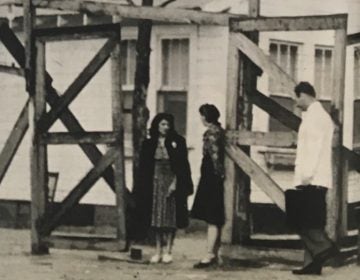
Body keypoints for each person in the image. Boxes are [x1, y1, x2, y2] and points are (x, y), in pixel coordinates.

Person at [290, 81, 339, 275]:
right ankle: (313, 264)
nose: (295, 102)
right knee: (313, 221)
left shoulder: (317, 117)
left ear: (303, 94)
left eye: (296, 97)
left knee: (302, 220)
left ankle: (325, 248)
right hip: (314, 177)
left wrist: (306, 176)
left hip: (312, 178)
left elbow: (314, 149)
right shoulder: (314, 115)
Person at [132, 113, 193, 264]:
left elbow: (182, 166)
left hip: (171, 180)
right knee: (156, 218)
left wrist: (175, 183)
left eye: (168, 124)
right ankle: (158, 250)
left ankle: (168, 250)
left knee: (170, 218)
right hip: (154, 182)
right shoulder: (149, 143)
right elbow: (145, 167)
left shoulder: (178, 141)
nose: (166, 128)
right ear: (157, 126)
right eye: (162, 124)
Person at [191, 104, 225, 269]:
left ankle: (209, 254)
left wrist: (219, 174)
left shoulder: (211, 133)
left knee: (212, 216)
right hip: (213, 175)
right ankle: (214, 252)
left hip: (211, 176)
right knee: (215, 217)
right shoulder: (219, 130)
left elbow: (215, 156)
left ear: (205, 117)